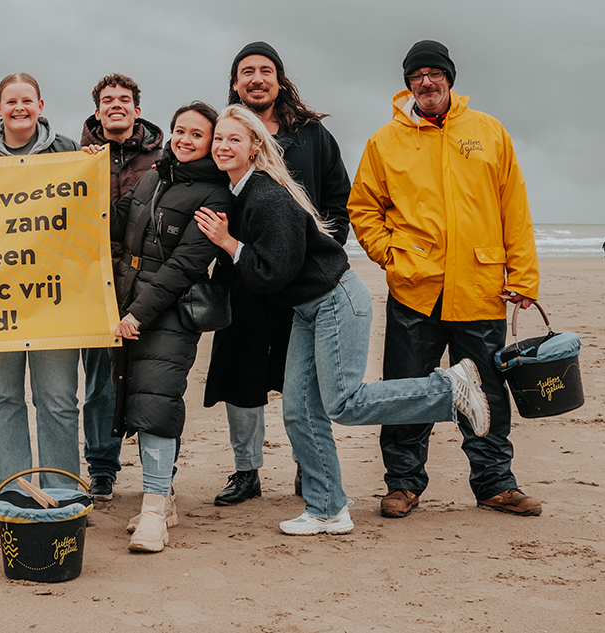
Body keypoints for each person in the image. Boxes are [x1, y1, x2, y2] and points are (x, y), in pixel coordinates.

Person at [194, 106, 489, 535]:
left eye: (234, 139)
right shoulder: (242, 192)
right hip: (308, 309)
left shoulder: (265, 196)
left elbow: (272, 273)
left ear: (255, 146)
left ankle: (447, 389)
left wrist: (228, 243)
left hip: (335, 300)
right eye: (218, 138)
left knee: (344, 403)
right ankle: (328, 508)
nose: (223, 146)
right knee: (299, 412)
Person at [348, 40, 544, 519]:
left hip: (480, 290)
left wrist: (524, 276)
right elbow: (362, 207)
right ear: (408, 84)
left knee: (489, 393)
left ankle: (495, 483)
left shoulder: (488, 132)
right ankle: (404, 485)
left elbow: (513, 209)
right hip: (414, 290)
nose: (427, 82)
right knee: (406, 388)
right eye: (418, 75)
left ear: (450, 79)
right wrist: (391, 256)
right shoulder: (384, 141)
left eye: (435, 73)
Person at [207, 41, 354, 507]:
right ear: (235, 83)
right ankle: (246, 471)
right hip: (241, 272)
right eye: (246, 71)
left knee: (301, 380)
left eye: (265, 70)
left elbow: (337, 196)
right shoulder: (225, 131)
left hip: (298, 282)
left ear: (280, 79)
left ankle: (305, 468)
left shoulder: (310, 134)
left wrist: (325, 244)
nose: (256, 78)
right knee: (241, 373)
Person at [110, 102, 228, 551]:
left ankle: (154, 511)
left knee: (157, 402)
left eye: (196, 134)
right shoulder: (154, 176)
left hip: (171, 311)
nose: (184, 139)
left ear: (211, 143)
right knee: (139, 400)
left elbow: (185, 265)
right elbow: (119, 225)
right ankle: (166, 497)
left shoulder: (215, 195)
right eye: (179, 130)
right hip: (130, 302)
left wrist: (138, 313)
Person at [0, 73, 83, 494]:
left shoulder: (71, 152)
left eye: (26, 100)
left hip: (55, 300)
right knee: (0, 399)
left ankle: (63, 489)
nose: (19, 108)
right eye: (10, 101)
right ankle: (13, 491)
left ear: (40, 104)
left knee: (57, 401)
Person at [75, 73, 164, 501]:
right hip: (94, 282)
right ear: (97, 110)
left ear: (137, 109)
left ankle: (159, 472)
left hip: (145, 281)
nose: (116, 105)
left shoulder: (162, 158)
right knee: (100, 382)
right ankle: (102, 468)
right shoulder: (75, 156)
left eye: (124, 99)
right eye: (108, 100)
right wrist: (85, 164)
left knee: (151, 378)